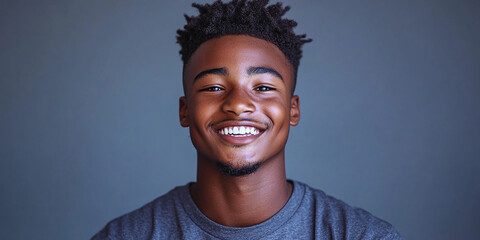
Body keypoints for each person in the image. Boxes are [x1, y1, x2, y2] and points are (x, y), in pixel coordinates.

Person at [92, 0, 402, 239]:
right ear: (184, 111)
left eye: (264, 87)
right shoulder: (126, 235)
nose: (238, 104)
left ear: (293, 109)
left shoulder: (362, 235)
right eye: (214, 87)